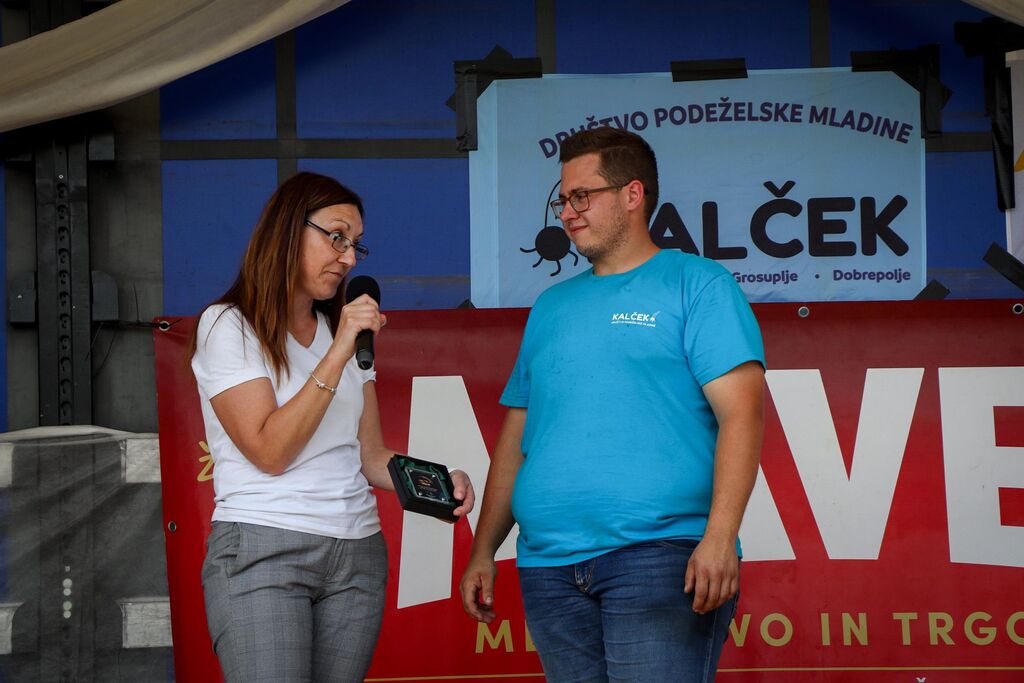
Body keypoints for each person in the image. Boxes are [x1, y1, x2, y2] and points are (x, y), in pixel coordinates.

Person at [459, 128, 765, 682]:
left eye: (582, 196)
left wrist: (720, 539)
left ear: (632, 194)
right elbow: (517, 438)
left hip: (659, 555)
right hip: (547, 563)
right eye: (562, 200)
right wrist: (484, 550)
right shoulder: (550, 306)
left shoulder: (698, 283)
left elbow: (742, 415)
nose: (567, 213)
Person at [190, 172, 474, 683]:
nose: (348, 258)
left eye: (356, 245)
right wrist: (340, 351)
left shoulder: (340, 334)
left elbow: (370, 456)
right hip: (266, 547)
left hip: (357, 554)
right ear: (286, 230)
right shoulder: (229, 325)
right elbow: (269, 450)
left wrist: (437, 479)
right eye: (337, 237)